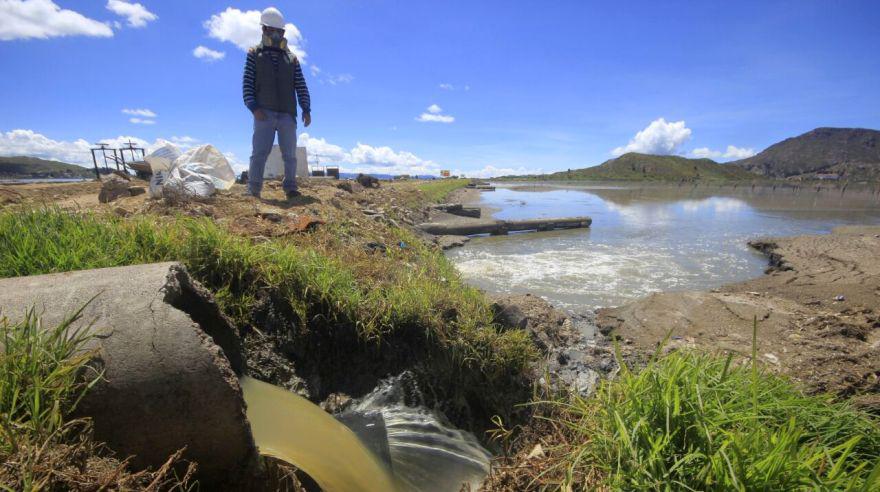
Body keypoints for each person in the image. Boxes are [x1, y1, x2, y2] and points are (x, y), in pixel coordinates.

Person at [242, 7, 311, 199]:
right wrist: (253, 107)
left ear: (283, 33)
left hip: (287, 114)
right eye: (271, 30)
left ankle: (290, 187)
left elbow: (301, 84)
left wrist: (306, 108)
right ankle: (253, 190)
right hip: (263, 112)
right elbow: (247, 82)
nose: (275, 34)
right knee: (259, 153)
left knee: (290, 155)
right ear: (263, 30)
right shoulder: (254, 53)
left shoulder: (292, 59)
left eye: (279, 31)